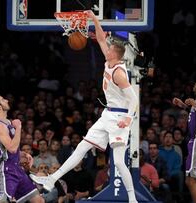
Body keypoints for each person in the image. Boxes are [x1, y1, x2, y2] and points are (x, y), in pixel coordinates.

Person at [30, 10, 138, 202]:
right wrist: (93, 18)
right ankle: (51, 179)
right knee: (81, 146)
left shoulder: (120, 73)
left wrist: (128, 119)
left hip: (120, 118)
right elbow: (102, 39)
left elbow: (134, 99)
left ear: (116, 53)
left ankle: (132, 199)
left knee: (120, 163)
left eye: (110, 47)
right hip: (108, 114)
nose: (106, 47)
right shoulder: (109, 59)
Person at [0, 95, 44, 203]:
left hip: (17, 168)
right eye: (3, 100)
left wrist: (23, 154)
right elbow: (12, 148)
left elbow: (10, 148)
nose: (7, 100)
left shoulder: (8, 122)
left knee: (39, 200)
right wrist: (18, 127)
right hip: (6, 170)